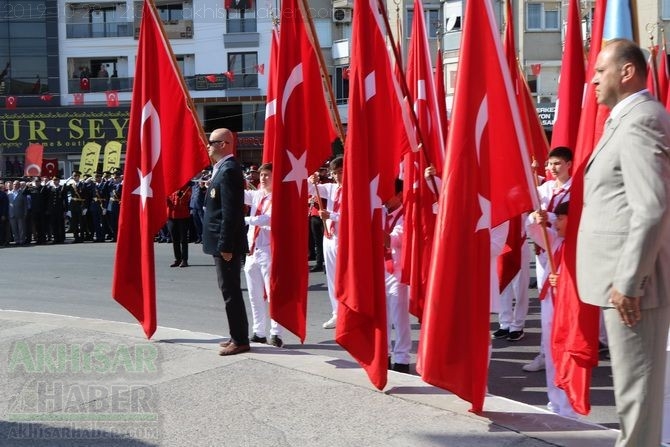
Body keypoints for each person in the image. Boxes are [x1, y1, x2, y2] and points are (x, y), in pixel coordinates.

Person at [576, 38, 670, 447]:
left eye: (600, 70)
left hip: (635, 288)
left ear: (626, 72)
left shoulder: (641, 119)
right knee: (633, 395)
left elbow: (651, 207)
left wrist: (629, 280)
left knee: (638, 398)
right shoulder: (623, 118)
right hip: (624, 281)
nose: (593, 79)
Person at [523, 146, 573, 373]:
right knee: (547, 306)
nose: (553, 168)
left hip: (565, 252)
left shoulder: (575, 190)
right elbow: (532, 215)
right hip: (545, 252)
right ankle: (545, 353)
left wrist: (550, 217)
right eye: (550, 164)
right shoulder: (544, 189)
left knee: (567, 307)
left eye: (558, 164)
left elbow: (572, 218)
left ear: (569, 164)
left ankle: (569, 352)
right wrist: (535, 218)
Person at [526, 202, 578, 418]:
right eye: (555, 218)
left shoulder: (581, 245)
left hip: (570, 307)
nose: (556, 222)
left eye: (562, 218)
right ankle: (555, 402)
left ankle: (570, 408)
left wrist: (564, 281)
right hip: (550, 301)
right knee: (550, 351)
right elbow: (532, 229)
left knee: (567, 355)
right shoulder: (555, 239)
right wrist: (536, 217)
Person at [202, 128, 250, 356]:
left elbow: (230, 213)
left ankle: (240, 340)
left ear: (224, 144)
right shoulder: (221, 169)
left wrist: (226, 246)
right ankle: (236, 335)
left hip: (227, 245)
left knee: (231, 291)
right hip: (222, 242)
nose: (208, 145)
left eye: (212, 141)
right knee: (228, 290)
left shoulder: (229, 170)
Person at [243, 163, 284, 347]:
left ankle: (276, 333)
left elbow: (266, 219)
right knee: (254, 295)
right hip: (252, 251)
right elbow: (238, 194)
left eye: (267, 175)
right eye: (261, 175)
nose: (262, 178)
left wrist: (242, 219)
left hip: (268, 251)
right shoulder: (257, 195)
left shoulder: (279, 198)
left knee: (273, 294)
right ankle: (258, 331)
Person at [309, 156, 344, 329]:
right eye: (335, 172)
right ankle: (336, 312)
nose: (337, 176)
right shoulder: (331, 188)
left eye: (341, 172)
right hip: (329, 236)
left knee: (345, 277)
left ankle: (349, 311)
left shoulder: (354, 189)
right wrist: (311, 179)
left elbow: (355, 215)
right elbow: (310, 189)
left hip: (344, 238)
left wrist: (332, 216)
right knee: (331, 276)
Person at [383, 179, 411, 373]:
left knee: (399, 317)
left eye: (389, 192)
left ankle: (402, 357)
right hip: (380, 269)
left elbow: (395, 240)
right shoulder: (381, 213)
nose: (384, 196)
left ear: (400, 194)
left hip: (398, 271)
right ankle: (383, 354)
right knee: (382, 317)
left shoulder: (406, 216)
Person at [167, 182, 192, 268]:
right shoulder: (170, 188)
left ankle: (184, 260)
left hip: (183, 216)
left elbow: (185, 200)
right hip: (171, 216)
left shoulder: (187, 188)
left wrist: (179, 195)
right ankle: (177, 259)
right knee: (174, 239)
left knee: (183, 239)